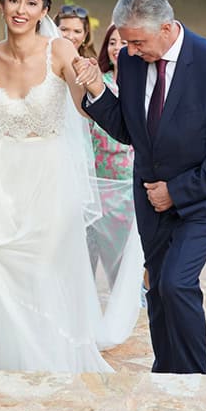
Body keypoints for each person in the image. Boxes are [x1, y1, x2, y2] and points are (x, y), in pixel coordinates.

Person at [0, 0, 142, 372]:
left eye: (31, 2)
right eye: (14, 0)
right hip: (4, 179)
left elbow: (82, 106)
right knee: (4, 271)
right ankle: (16, 366)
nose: (21, 9)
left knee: (44, 269)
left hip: (51, 178)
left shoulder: (60, 51)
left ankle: (51, 363)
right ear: (1, 4)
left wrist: (94, 81)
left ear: (44, 9)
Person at [78, 0, 206, 374]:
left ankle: (194, 378)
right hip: (150, 201)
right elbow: (129, 128)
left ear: (167, 27)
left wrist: (175, 192)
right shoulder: (135, 62)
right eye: (126, 42)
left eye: (137, 42)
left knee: (176, 283)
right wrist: (96, 90)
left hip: (203, 200)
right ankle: (166, 371)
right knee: (157, 288)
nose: (131, 51)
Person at [87, 24, 136, 290]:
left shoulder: (144, 85)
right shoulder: (98, 83)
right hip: (98, 181)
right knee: (89, 251)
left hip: (130, 183)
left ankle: (129, 303)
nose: (118, 48)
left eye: (124, 42)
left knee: (126, 258)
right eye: (113, 43)